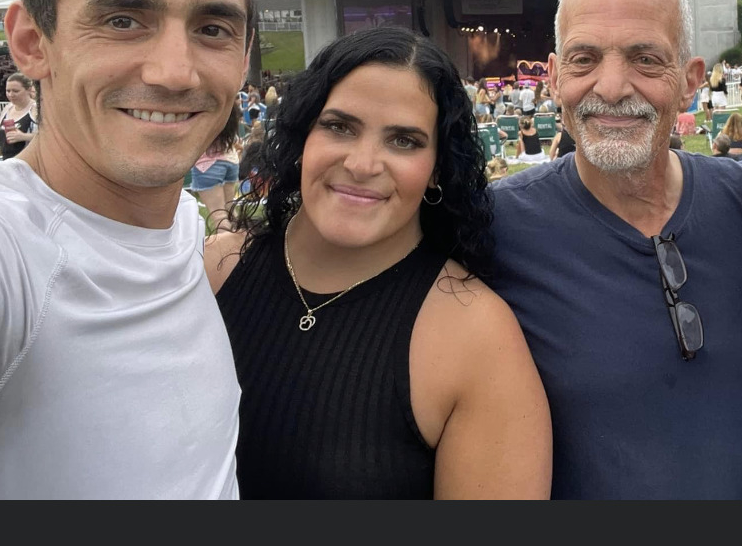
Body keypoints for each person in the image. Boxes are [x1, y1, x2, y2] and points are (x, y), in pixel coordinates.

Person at [0, 0, 254, 500]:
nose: (174, 72)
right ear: (32, 42)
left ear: (242, 62)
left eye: (212, 30)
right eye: (122, 21)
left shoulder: (183, 226)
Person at [204, 27, 550, 499]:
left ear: (438, 168)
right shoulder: (212, 271)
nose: (363, 164)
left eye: (404, 140)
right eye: (339, 127)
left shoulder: (477, 338)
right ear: (303, 134)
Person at [484, 0, 742, 499]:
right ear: (554, 77)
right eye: (584, 58)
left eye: (645, 59)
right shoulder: (491, 229)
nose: (612, 87)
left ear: (690, 79)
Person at [189, 106, 243, 228]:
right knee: (230, 210)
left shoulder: (205, 115)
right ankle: (242, 237)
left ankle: (227, 239)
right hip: (231, 161)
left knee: (219, 216)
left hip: (207, 165)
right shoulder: (230, 115)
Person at [0, 72, 38, 161]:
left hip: (29, 161)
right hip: (8, 161)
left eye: (16, 91)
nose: (11, 95)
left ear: (28, 90)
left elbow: (47, 137)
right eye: (8, 91)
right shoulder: (8, 108)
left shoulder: (35, 109)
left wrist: (24, 136)